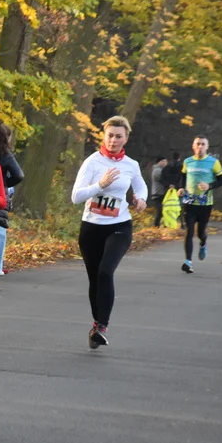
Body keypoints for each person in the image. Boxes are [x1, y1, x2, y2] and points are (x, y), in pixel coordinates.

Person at [71, 116, 147, 349]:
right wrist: (100, 185)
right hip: (91, 228)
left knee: (106, 272)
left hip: (119, 226)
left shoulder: (131, 165)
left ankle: (102, 325)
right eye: (110, 135)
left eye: (119, 136)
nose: (114, 140)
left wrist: (140, 197)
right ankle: (96, 325)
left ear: (126, 138)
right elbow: (76, 197)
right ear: (104, 136)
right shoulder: (92, 162)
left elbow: (140, 184)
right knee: (95, 279)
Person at [178, 136, 222, 273]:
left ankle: (203, 243)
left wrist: (209, 185)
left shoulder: (214, 162)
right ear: (193, 146)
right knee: (189, 231)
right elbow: (184, 177)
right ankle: (188, 262)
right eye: (198, 144)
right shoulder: (188, 161)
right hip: (189, 202)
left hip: (205, 204)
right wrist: (181, 188)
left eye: (203, 144)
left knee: (200, 233)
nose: (200, 147)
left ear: (207, 147)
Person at [0, 124, 24, 278]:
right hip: (1, 194)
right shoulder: (6, 154)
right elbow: (19, 175)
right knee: (0, 230)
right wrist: (5, 183)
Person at [149, 156, 168, 227]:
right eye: (164, 161)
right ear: (159, 162)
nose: (165, 163)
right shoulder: (157, 170)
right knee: (159, 211)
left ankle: (161, 225)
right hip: (158, 194)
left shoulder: (162, 170)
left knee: (163, 211)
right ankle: (156, 226)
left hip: (162, 193)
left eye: (166, 161)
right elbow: (163, 179)